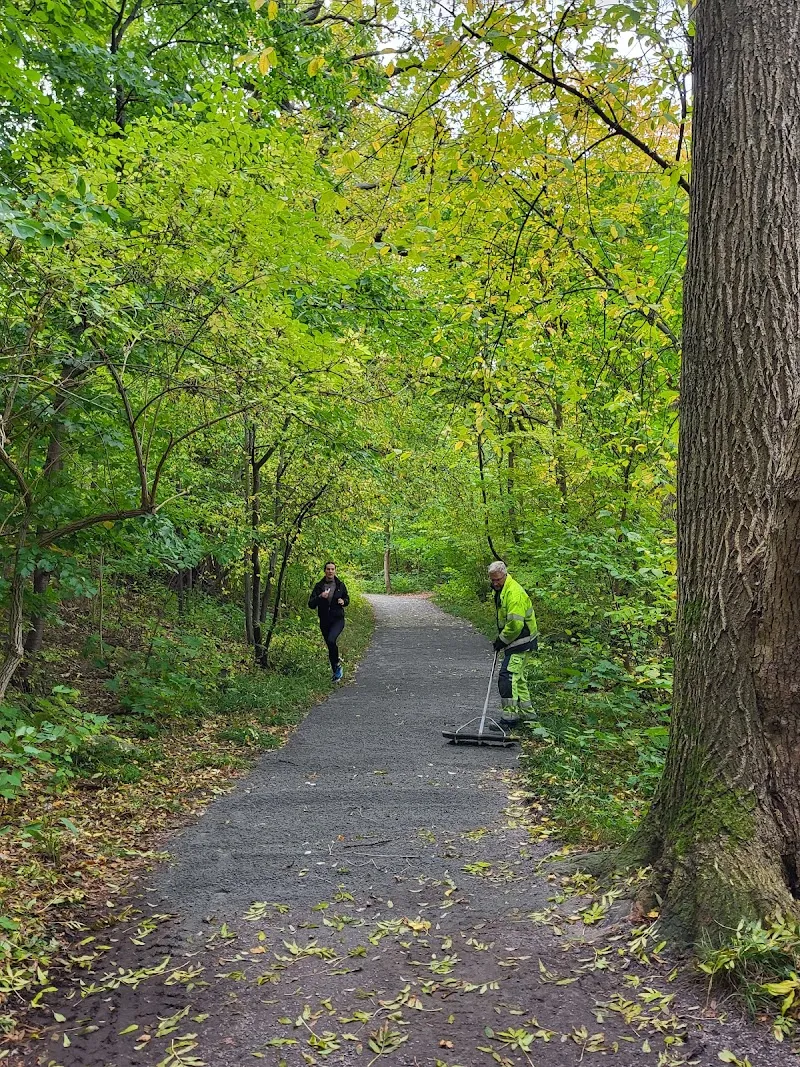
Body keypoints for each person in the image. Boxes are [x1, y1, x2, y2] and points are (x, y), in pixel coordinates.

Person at [488, 560, 538, 726]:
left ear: (505, 575)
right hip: (518, 640)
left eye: (498, 579)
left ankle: (510, 718)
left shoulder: (513, 593)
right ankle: (529, 717)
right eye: (492, 580)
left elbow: (516, 624)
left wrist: (501, 640)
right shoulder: (504, 589)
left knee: (507, 677)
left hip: (521, 640)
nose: (495, 583)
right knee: (518, 678)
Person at [308, 561, 350, 682]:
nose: (330, 571)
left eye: (332, 569)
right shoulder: (319, 586)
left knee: (332, 640)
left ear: (335, 571)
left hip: (338, 619)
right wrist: (320, 596)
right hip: (325, 620)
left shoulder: (340, 585)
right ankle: (336, 671)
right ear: (325, 571)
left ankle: (336, 667)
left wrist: (344, 601)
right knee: (330, 646)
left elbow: (347, 598)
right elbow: (311, 604)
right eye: (328, 569)